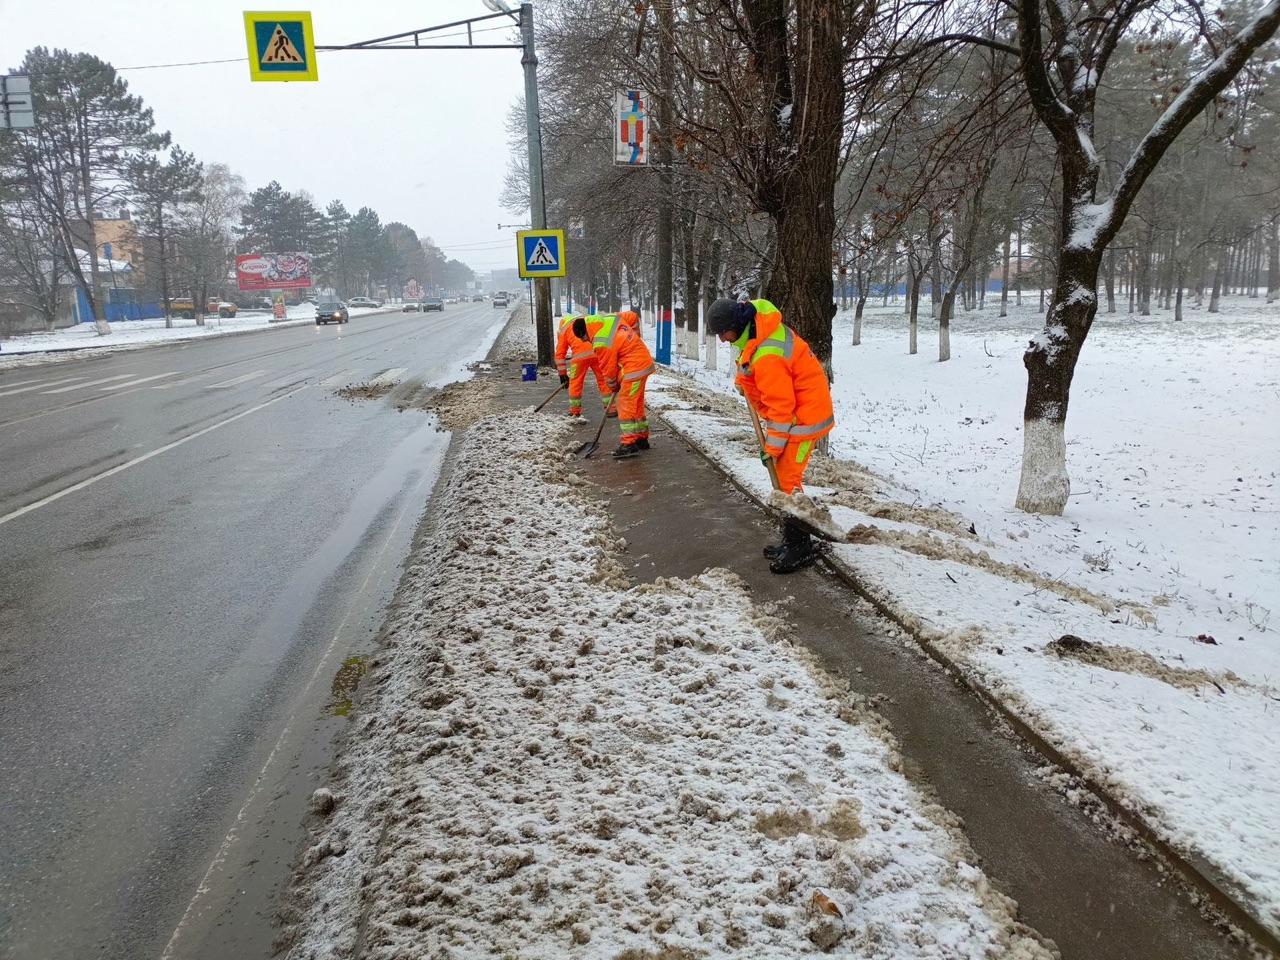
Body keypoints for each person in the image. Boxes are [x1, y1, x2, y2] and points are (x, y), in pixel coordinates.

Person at [707, 297, 834, 574]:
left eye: (722, 333)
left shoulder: (768, 355)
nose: (721, 340)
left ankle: (800, 545)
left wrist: (772, 449)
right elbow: (749, 366)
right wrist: (744, 382)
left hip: (805, 419)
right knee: (785, 478)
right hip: (795, 413)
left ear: (734, 326)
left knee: (786, 479)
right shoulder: (756, 332)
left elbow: (781, 410)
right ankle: (793, 539)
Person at [572, 312, 654, 458]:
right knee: (636, 403)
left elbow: (608, 371)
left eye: (584, 339)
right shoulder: (609, 318)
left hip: (633, 368)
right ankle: (641, 438)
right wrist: (635, 336)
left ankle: (629, 444)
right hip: (643, 362)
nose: (587, 341)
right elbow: (632, 316)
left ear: (584, 333)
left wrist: (613, 386)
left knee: (625, 403)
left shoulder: (601, 342)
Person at [554, 313, 602, 418]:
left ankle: (575, 411)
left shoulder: (564, 329)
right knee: (603, 380)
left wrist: (562, 374)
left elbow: (560, 354)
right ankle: (611, 407)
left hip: (579, 359)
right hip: (596, 352)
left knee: (575, 382)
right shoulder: (584, 321)